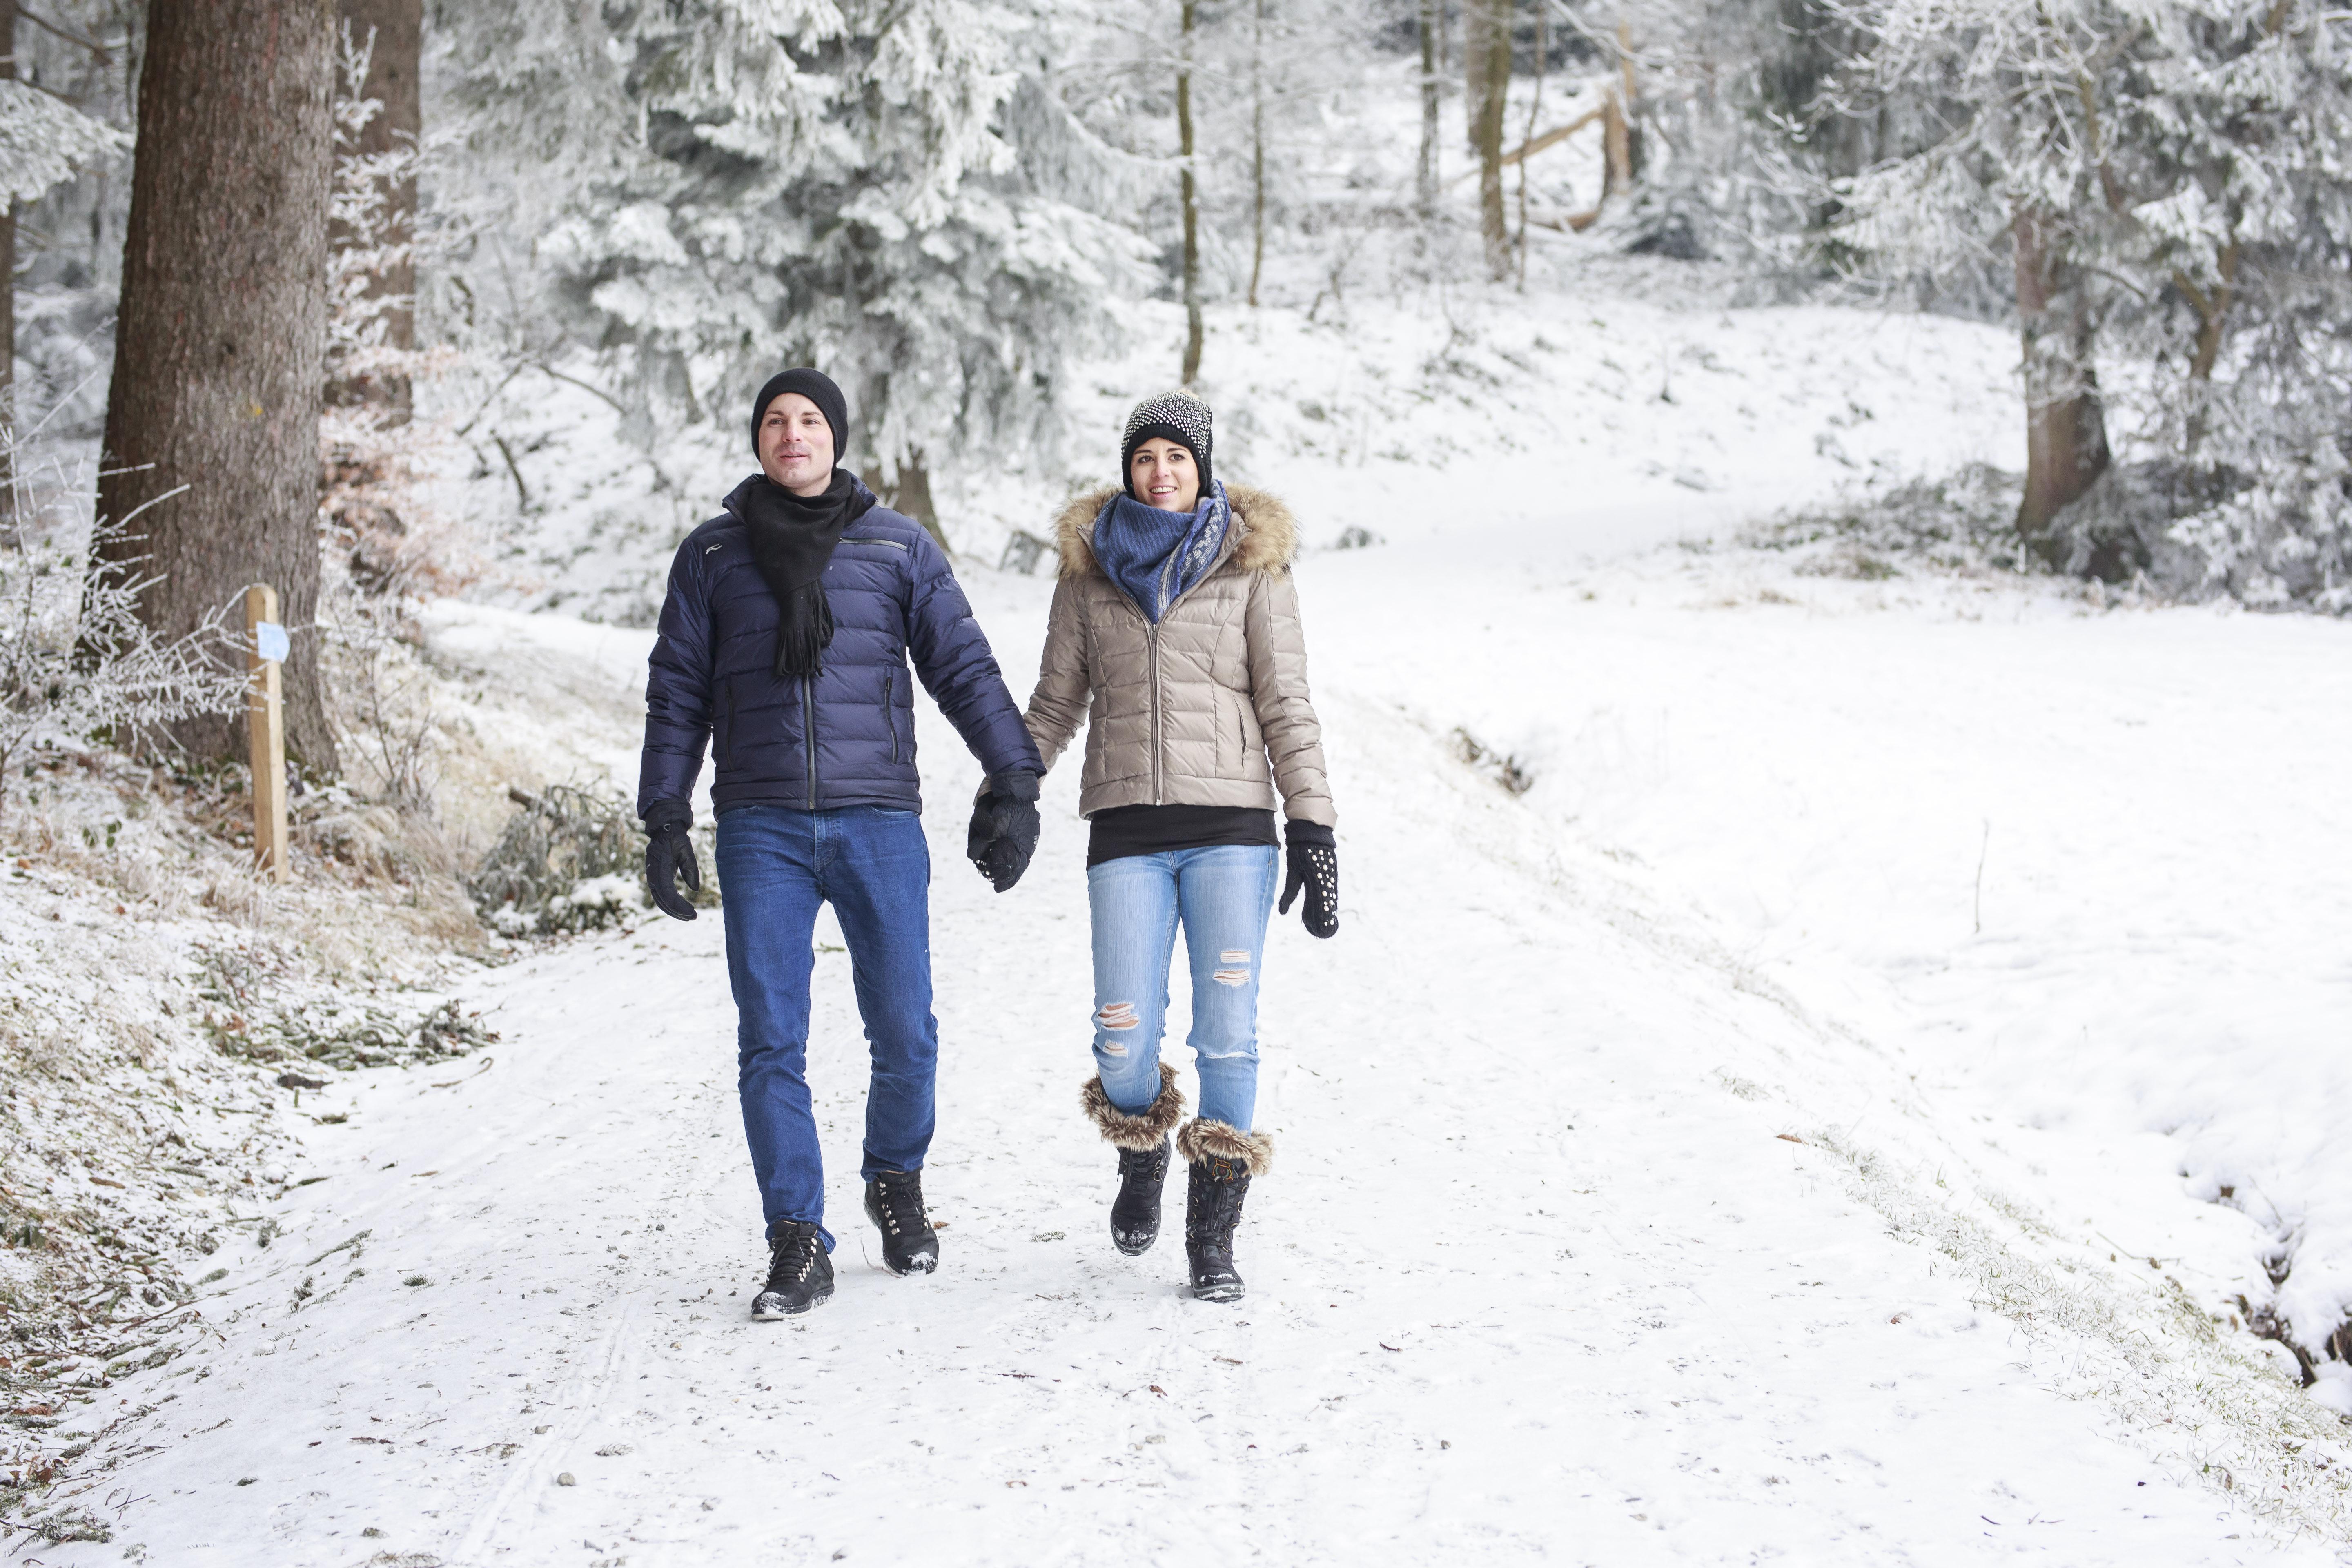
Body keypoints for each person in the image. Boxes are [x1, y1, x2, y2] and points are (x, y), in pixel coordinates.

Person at [637, 368, 1043, 1319]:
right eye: (774, 420)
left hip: (878, 822)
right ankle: (797, 1237)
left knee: (906, 1030)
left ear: (838, 436)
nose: (792, 434)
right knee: (771, 1040)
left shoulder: (899, 548)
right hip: (761, 825)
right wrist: (664, 813)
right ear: (758, 440)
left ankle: (894, 1180)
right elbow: (678, 692)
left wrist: (1012, 777)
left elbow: (962, 665)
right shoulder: (712, 556)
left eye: (809, 419)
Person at [1023, 389, 1340, 1302]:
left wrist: (1313, 824)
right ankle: (1142, 1149)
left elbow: (1286, 703)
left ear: (1204, 469)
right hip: (1127, 829)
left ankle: (1213, 1236)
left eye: (1178, 458)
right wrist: (1012, 785)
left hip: (1233, 832)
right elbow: (1054, 701)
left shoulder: (1255, 571)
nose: (1161, 473)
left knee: (1228, 1036)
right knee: (1121, 1032)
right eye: (1145, 457)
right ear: (1127, 469)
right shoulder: (1087, 577)